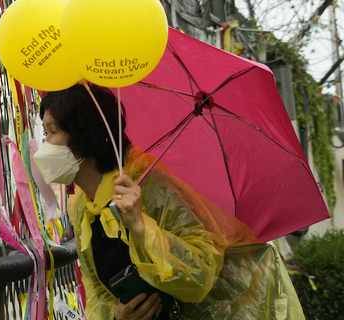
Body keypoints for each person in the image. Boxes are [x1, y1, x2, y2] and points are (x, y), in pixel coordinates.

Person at [33, 84, 304, 320]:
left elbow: (200, 273)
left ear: (85, 138)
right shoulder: (84, 209)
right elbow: (96, 292)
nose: (44, 145)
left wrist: (141, 226)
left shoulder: (153, 190)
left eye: (52, 132)